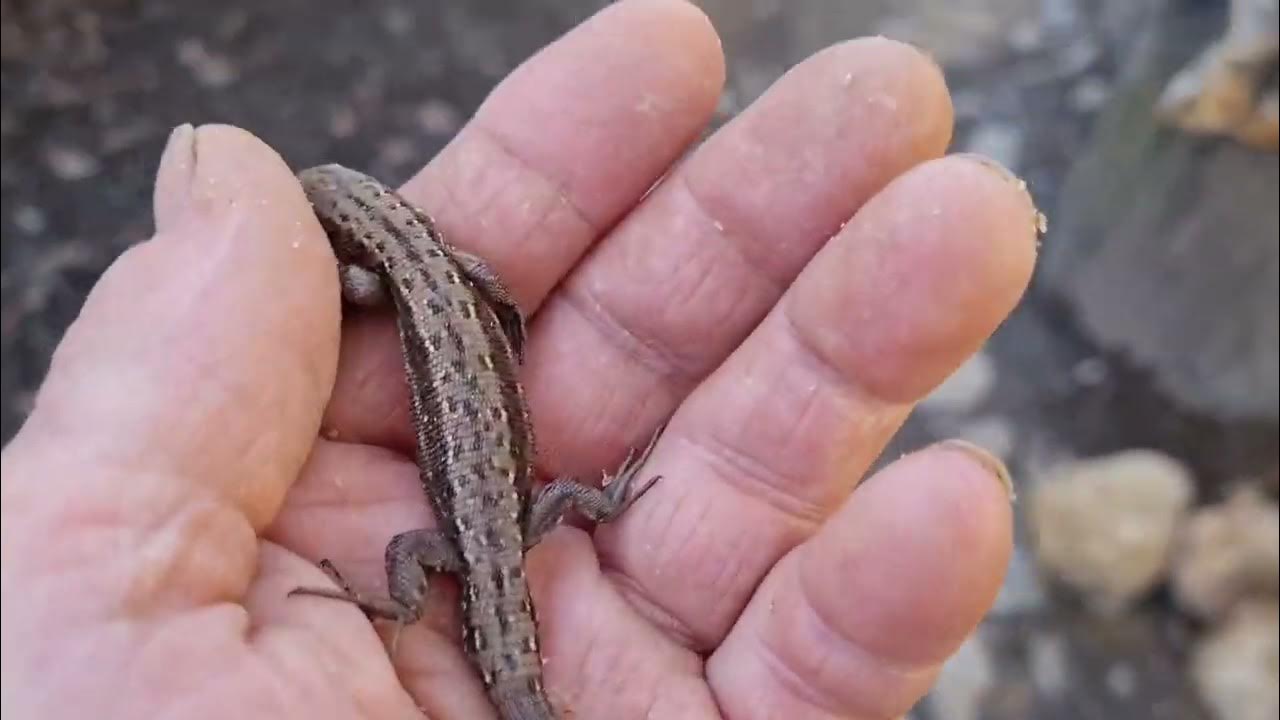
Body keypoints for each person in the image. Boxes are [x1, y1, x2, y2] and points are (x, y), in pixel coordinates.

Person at [0, 1, 1037, 717]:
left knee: (436, 564)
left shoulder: (372, 285)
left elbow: (374, 297)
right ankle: (579, 526)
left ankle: (406, 613)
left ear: (360, 238)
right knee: (546, 522)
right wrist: (583, 477)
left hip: (485, 528)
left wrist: (408, 600)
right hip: (511, 516)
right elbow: (487, 289)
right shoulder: (435, 258)